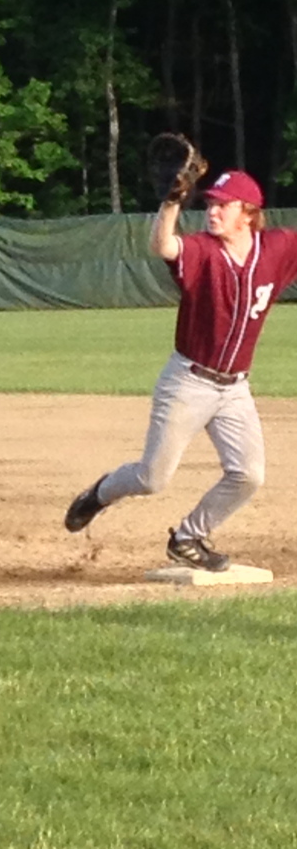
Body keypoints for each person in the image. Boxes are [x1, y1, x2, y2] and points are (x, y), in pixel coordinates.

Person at [64, 169, 297, 571]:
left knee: (248, 474)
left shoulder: (277, 249)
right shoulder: (204, 251)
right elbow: (162, 246)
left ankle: (188, 538)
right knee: (152, 479)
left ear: (248, 213)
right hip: (188, 382)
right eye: (209, 203)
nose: (212, 211)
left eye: (223, 205)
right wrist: (171, 202)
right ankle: (100, 493)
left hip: (235, 390)